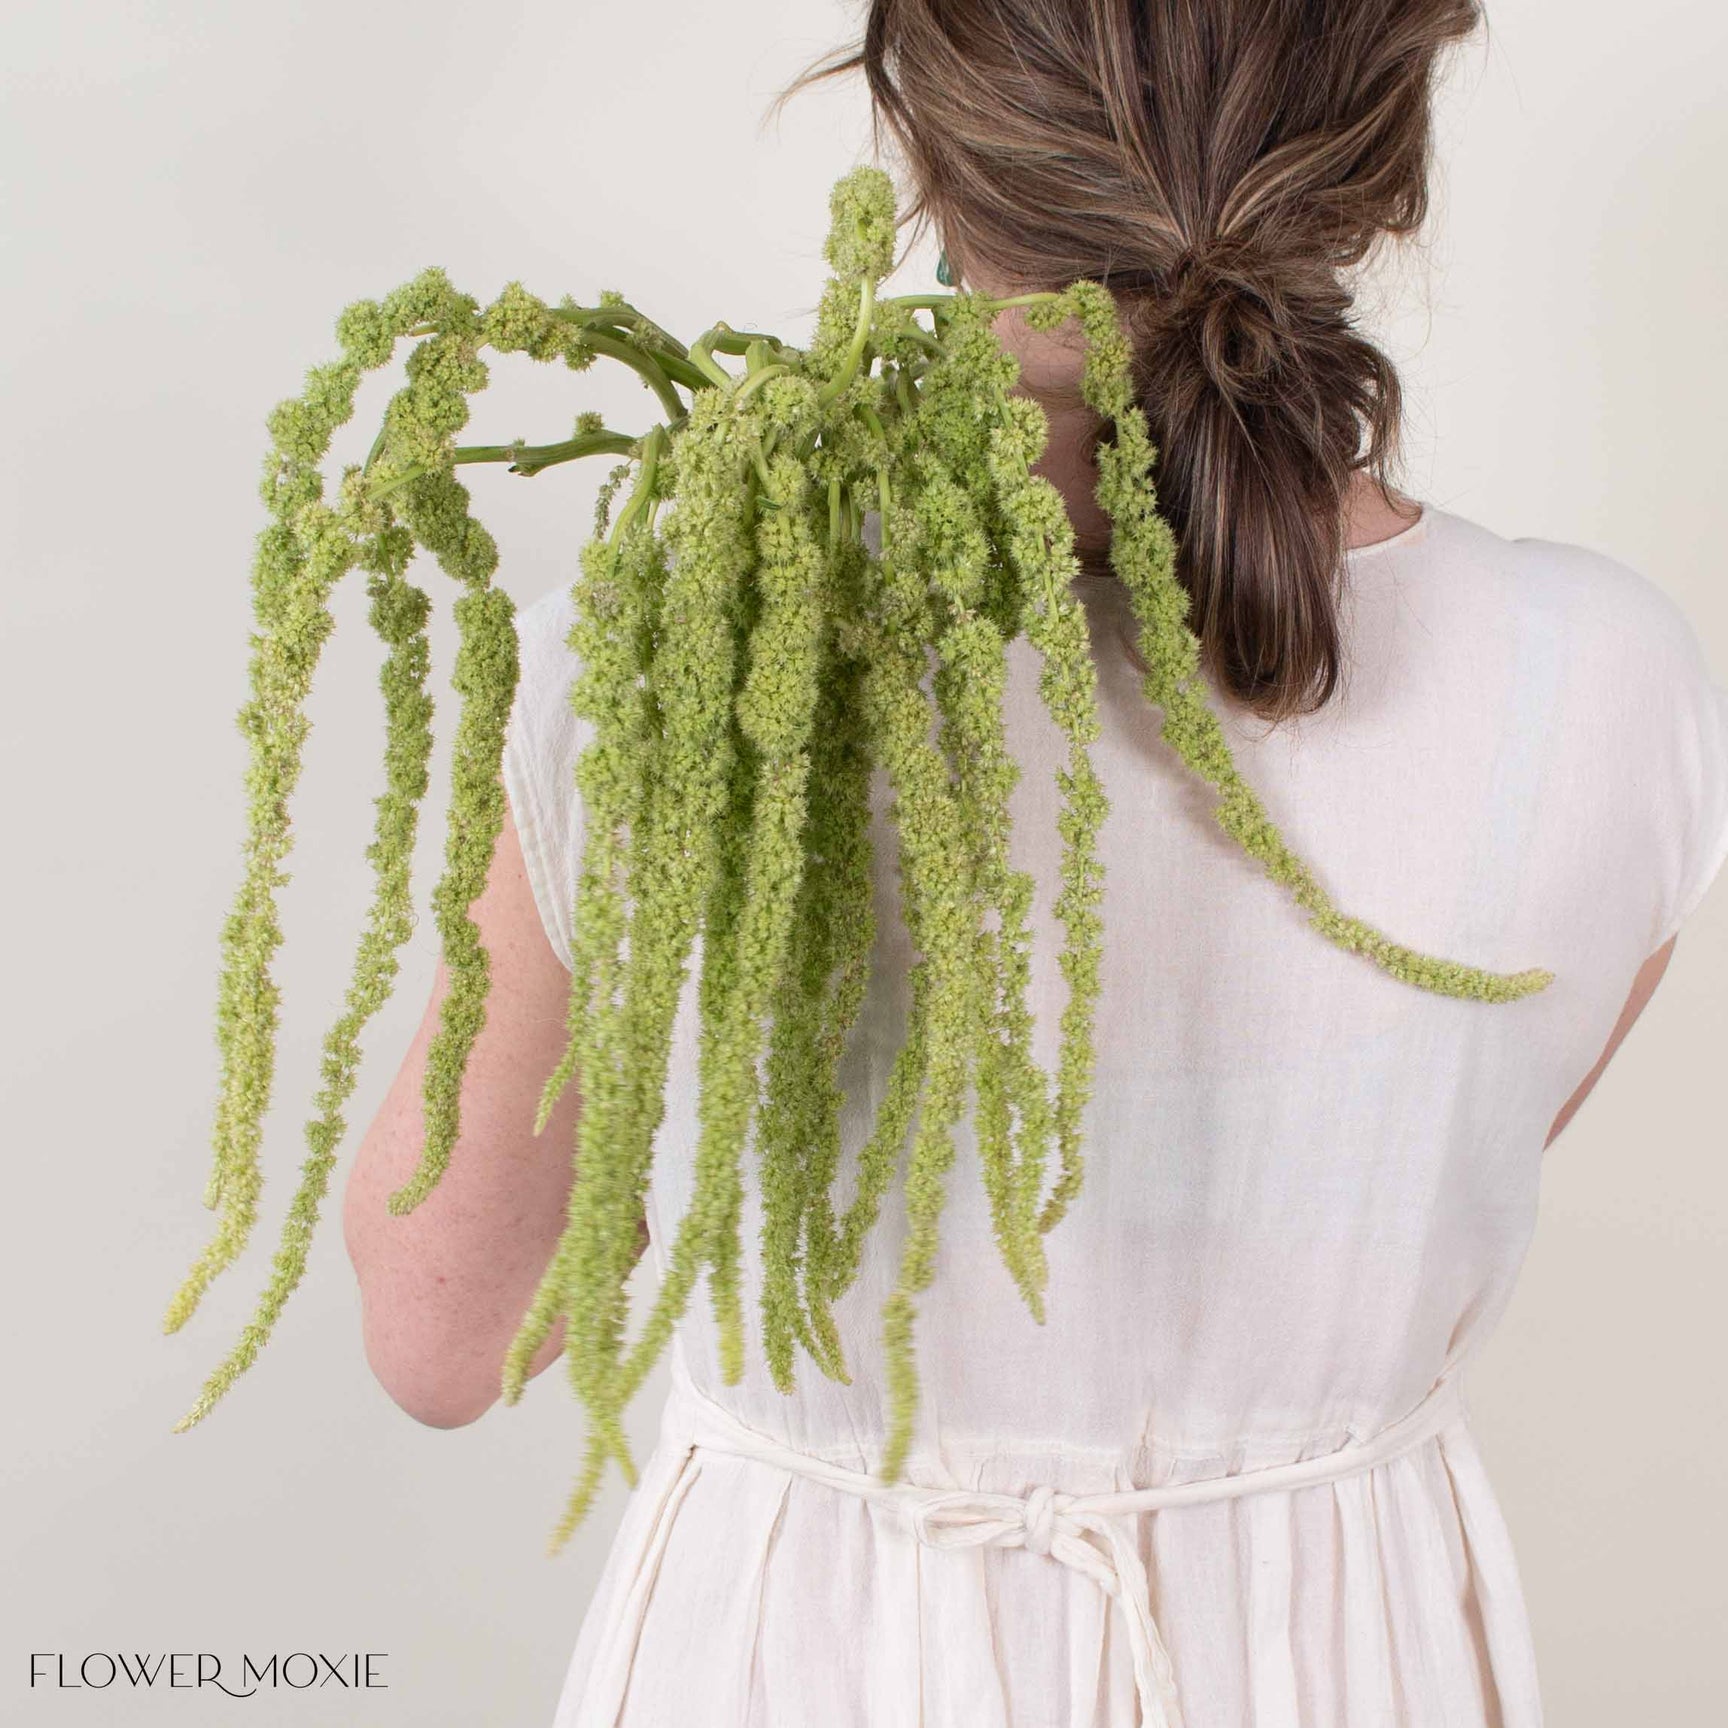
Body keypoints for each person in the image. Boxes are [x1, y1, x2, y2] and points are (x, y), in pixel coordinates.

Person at [341, 3, 1728, 1723]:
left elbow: (447, 1337)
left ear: (929, 154)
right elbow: (1410, 1172)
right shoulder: (1610, 678)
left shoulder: (681, 656)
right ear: (1383, 172)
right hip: (1339, 1666)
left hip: (811, 1663)